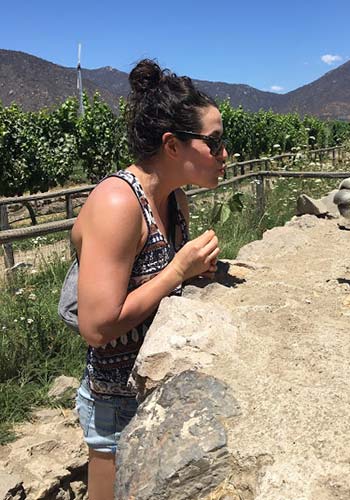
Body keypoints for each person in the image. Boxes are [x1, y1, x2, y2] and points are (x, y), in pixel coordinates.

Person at [71, 59, 227, 500]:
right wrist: (177, 270)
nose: (224, 154)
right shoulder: (119, 202)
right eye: (213, 143)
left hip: (157, 389)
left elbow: (156, 285)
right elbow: (98, 326)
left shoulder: (175, 201)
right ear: (172, 146)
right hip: (116, 406)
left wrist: (190, 273)